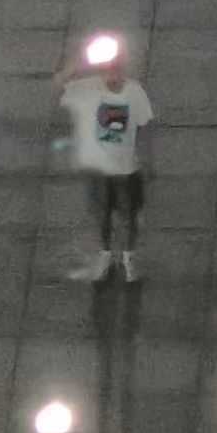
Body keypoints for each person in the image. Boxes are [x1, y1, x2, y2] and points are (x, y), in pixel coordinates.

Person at [56, 43, 155, 282]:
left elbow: (145, 126)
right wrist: (82, 61)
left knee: (128, 214)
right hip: (98, 169)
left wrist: (148, 160)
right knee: (102, 215)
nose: (113, 74)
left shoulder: (134, 92)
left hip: (126, 168)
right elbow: (60, 83)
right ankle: (106, 256)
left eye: (116, 68)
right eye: (108, 68)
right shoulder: (87, 89)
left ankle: (128, 258)